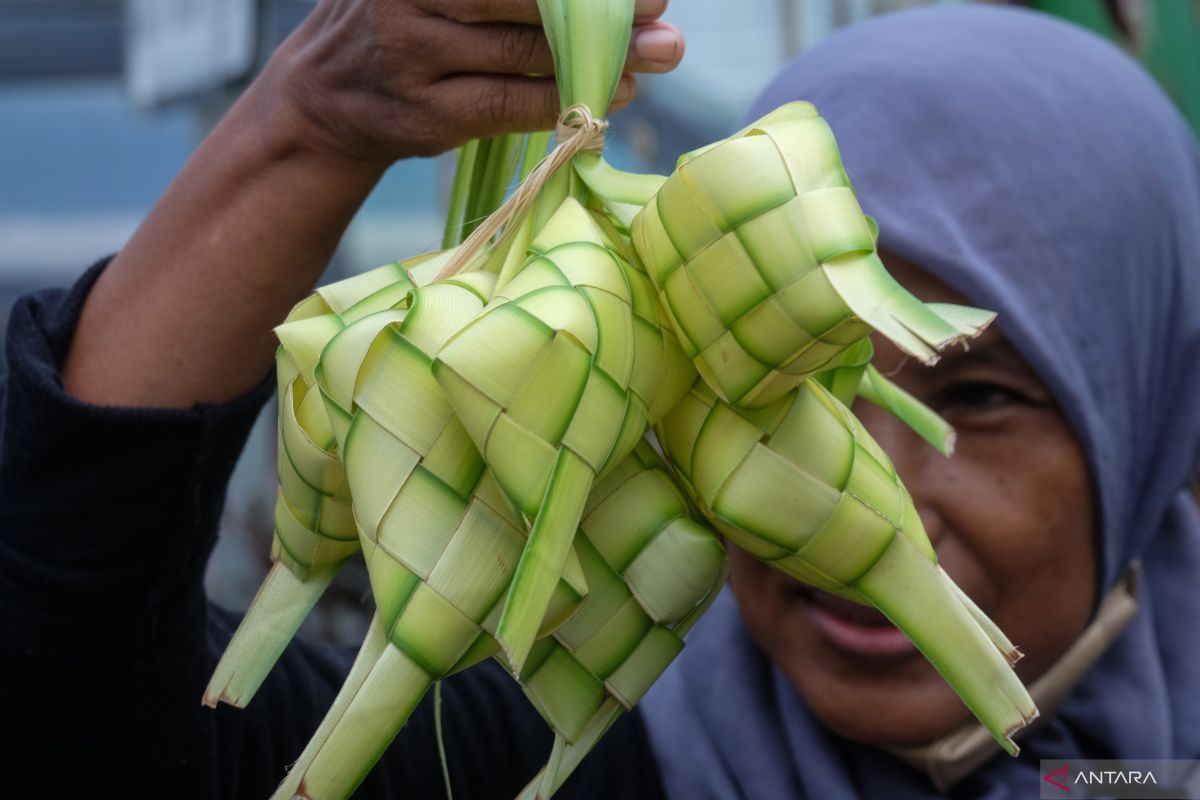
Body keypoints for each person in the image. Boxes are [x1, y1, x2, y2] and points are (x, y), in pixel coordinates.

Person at [2, 2, 1197, 799]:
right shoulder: (565, 748)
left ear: (1147, 416)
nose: (873, 482)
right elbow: (81, 701)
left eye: (979, 397)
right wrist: (306, 126)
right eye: (783, 379)